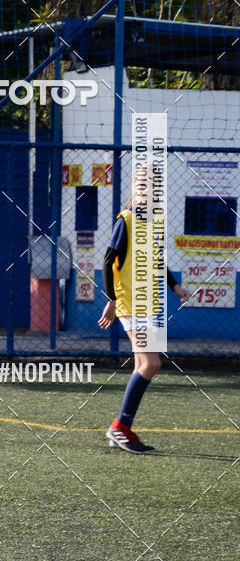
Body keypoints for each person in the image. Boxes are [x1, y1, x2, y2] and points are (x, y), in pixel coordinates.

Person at [98, 166, 190, 453]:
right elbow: (106, 261)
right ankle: (119, 428)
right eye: (142, 185)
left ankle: (122, 428)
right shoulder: (125, 220)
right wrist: (112, 301)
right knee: (151, 364)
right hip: (128, 303)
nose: (147, 190)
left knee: (144, 365)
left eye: (152, 186)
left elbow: (157, 261)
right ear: (135, 189)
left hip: (145, 304)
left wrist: (175, 287)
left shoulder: (153, 223)